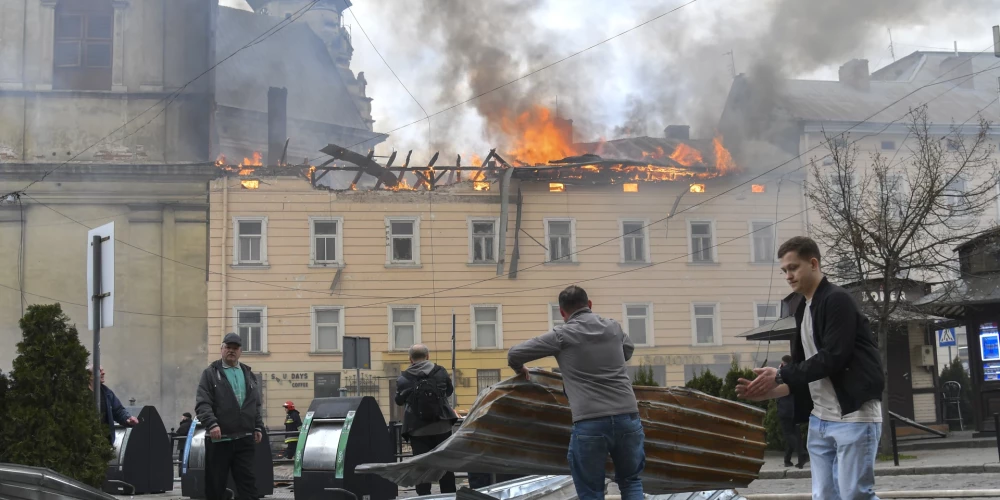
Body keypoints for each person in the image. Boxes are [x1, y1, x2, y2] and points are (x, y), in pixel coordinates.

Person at [736, 236, 885, 500]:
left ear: (813, 263)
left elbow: (832, 358)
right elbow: (805, 371)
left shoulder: (837, 300)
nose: (788, 276)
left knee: (855, 495)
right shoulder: (803, 308)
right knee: (824, 496)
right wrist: (766, 392)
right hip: (820, 420)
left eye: (793, 268)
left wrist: (780, 373)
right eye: (784, 271)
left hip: (854, 416)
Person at [507, 285, 644, 500]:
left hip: (590, 422)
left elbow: (514, 354)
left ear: (562, 312)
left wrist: (520, 370)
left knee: (591, 491)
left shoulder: (562, 335)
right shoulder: (613, 327)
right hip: (628, 417)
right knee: (631, 482)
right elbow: (628, 349)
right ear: (589, 305)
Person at [196, 333, 264, 500]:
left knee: (248, 485)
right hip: (220, 439)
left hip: (244, 438)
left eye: (235, 348)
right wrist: (212, 424)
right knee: (215, 486)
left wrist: (258, 426)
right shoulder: (210, 373)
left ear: (240, 351)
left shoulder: (248, 374)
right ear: (222, 349)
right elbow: (202, 403)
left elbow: (255, 404)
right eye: (228, 347)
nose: (231, 351)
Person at [394, 344, 457, 497]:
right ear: (427, 356)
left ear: (410, 359)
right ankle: (448, 496)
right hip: (442, 425)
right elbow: (449, 391)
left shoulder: (403, 378)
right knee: (445, 464)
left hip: (417, 429)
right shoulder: (440, 372)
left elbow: (399, 401)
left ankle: (424, 496)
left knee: (421, 467)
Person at [87, 364, 138, 444]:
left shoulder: (107, 393)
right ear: (90, 376)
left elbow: (118, 410)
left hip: (104, 442)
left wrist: (127, 419)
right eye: (100, 371)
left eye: (103, 370)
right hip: (86, 441)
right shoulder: (82, 393)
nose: (103, 373)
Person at [777, 356, 808, 469]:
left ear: (784, 364)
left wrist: (780, 371)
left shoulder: (784, 375)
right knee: (794, 435)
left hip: (785, 408)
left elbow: (777, 386)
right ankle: (787, 459)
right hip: (795, 407)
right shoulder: (797, 372)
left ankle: (802, 454)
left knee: (789, 434)